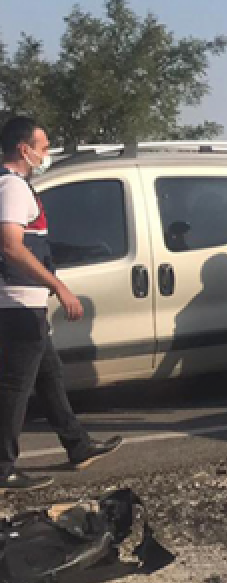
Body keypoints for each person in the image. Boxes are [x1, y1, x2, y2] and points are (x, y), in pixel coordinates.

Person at [0, 116, 122, 492]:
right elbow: (10, 245)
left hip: (21, 304)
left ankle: (77, 445)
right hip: (18, 305)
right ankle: (3, 468)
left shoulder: (11, 186)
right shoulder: (13, 187)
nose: (47, 152)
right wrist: (60, 287)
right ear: (24, 149)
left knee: (49, 375)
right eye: (43, 145)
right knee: (14, 389)